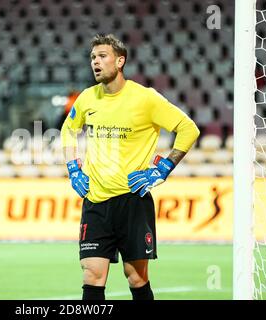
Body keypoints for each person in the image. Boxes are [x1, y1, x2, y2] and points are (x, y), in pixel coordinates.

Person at [60, 34, 200, 300]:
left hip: (133, 201)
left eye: (102, 56)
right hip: (96, 201)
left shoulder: (146, 99)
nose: (95, 62)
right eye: (92, 57)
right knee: (92, 274)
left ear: (120, 61)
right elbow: (68, 130)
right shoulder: (87, 98)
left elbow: (188, 129)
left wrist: (164, 167)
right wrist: (73, 168)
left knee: (136, 277)